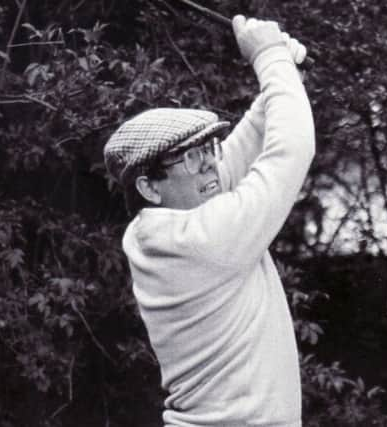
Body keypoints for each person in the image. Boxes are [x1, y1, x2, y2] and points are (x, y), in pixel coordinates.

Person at [103, 16, 314, 427]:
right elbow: (292, 149)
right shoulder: (201, 239)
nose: (210, 165)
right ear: (149, 186)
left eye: (209, 148)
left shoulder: (164, 225)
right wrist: (268, 56)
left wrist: (284, 69)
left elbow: (247, 145)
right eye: (192, 156)